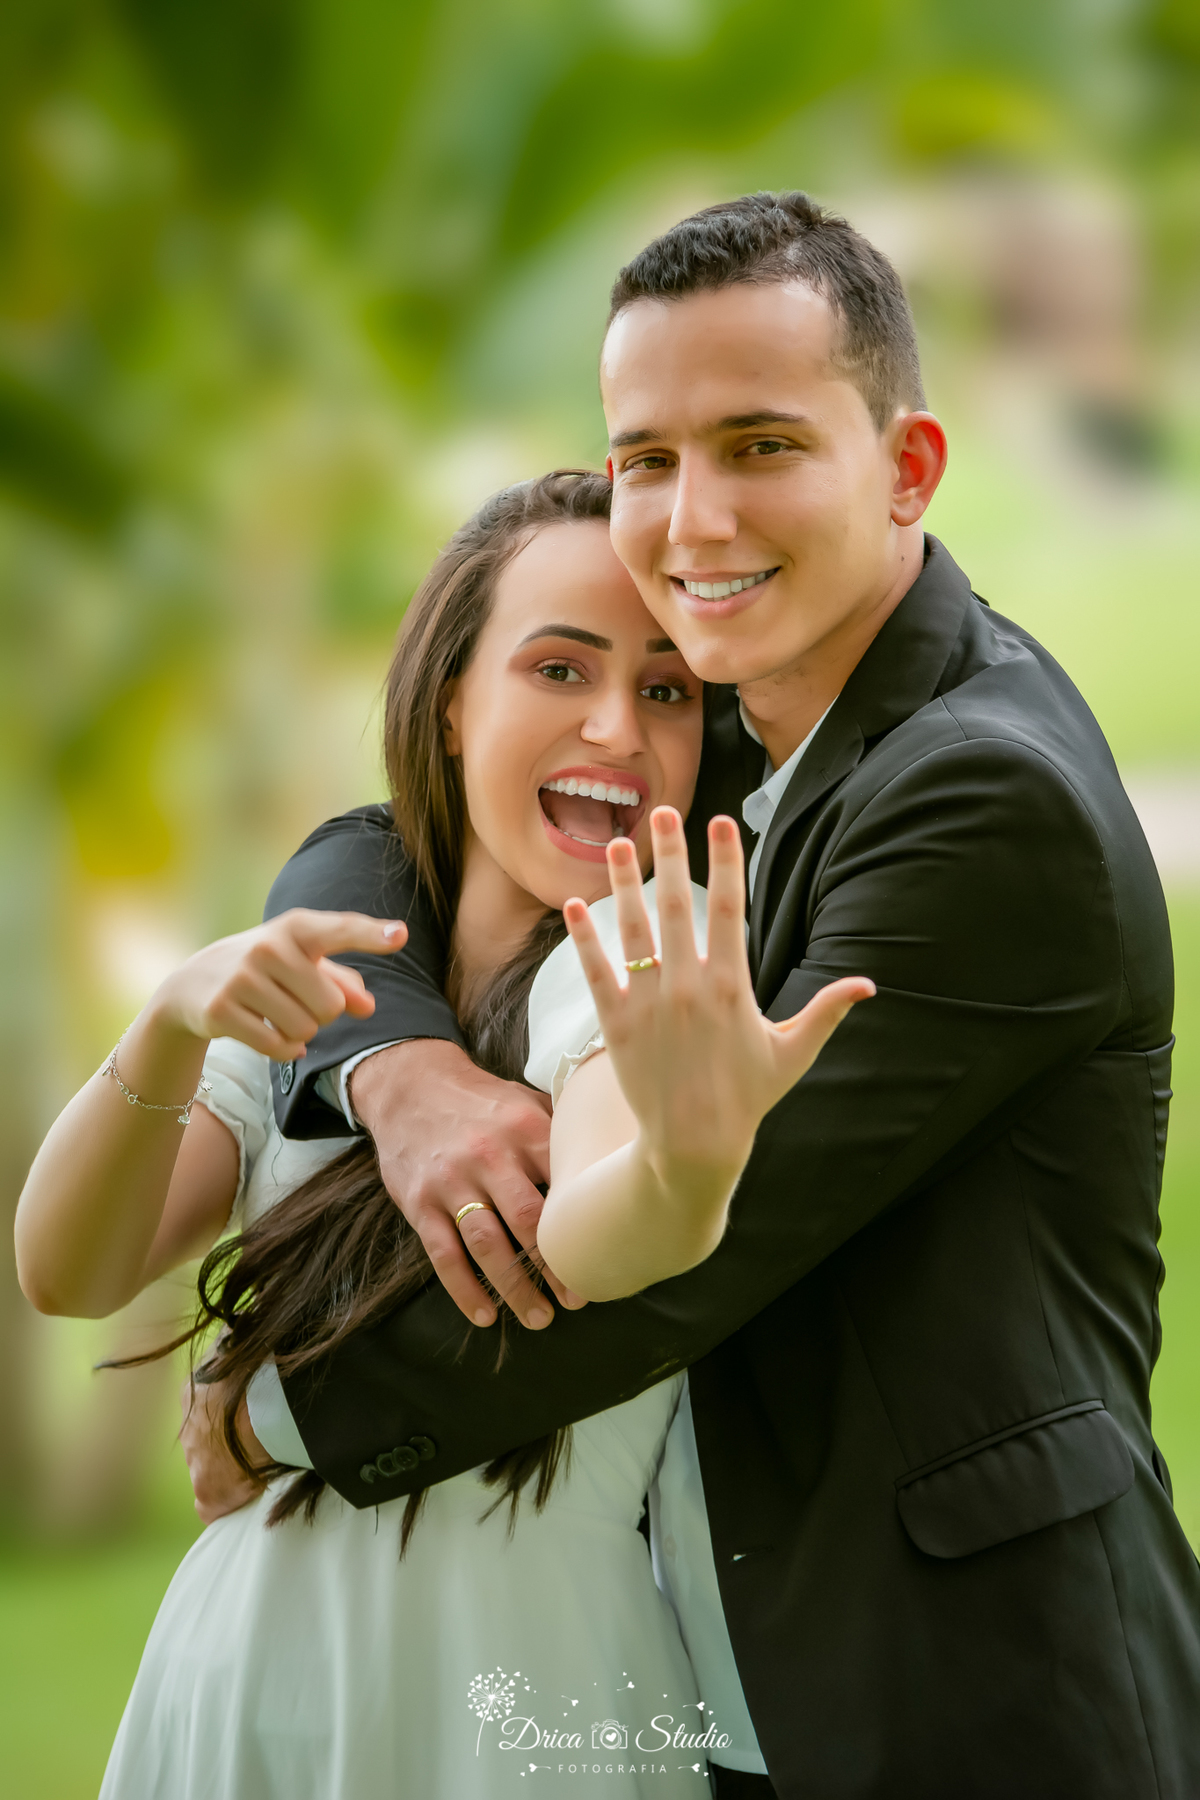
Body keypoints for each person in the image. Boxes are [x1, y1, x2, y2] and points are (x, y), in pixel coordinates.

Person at [219, 193, 1200, 1800]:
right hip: (725, 1673)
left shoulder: (983, 804)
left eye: (759, 446)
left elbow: (692, 1246)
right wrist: (402, 1067)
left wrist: (280, 1409)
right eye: (647, 462)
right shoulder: (742, 703)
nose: (691, 522)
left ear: (907, 467)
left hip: (977, 1693)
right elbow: (398, 825)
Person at [15, 469, 864, 1799]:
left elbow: (591, 1224)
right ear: (453, 703)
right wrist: (172, 1020)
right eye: (559, 668)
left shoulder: (632, 974)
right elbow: (67, 1270)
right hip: (240, 1663)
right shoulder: (333, 976)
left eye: (664, 691)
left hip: (523, 1681)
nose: (615, 728)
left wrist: (686, 1174)